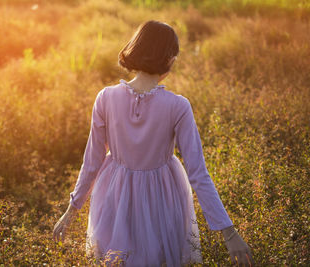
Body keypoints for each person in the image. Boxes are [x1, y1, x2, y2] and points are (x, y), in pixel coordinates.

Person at [53, 20, 255, 267]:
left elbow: (92, 162)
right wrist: (229, 233)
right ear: (169, 59)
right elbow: (198, 174)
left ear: (135, 48)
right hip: (162, 199)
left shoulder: (105, 97)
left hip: (113, 196)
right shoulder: (178, 106)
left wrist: (70, 211)